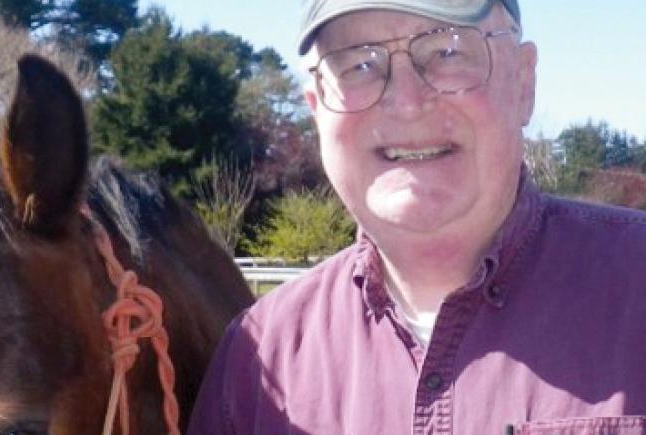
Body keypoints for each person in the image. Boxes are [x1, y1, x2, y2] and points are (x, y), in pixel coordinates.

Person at [188, 0, 646, 433]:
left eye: (447, 50)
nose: (406, 102)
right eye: (359, 65)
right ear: (316, 111)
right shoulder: (259, 360)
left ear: (524, 83)